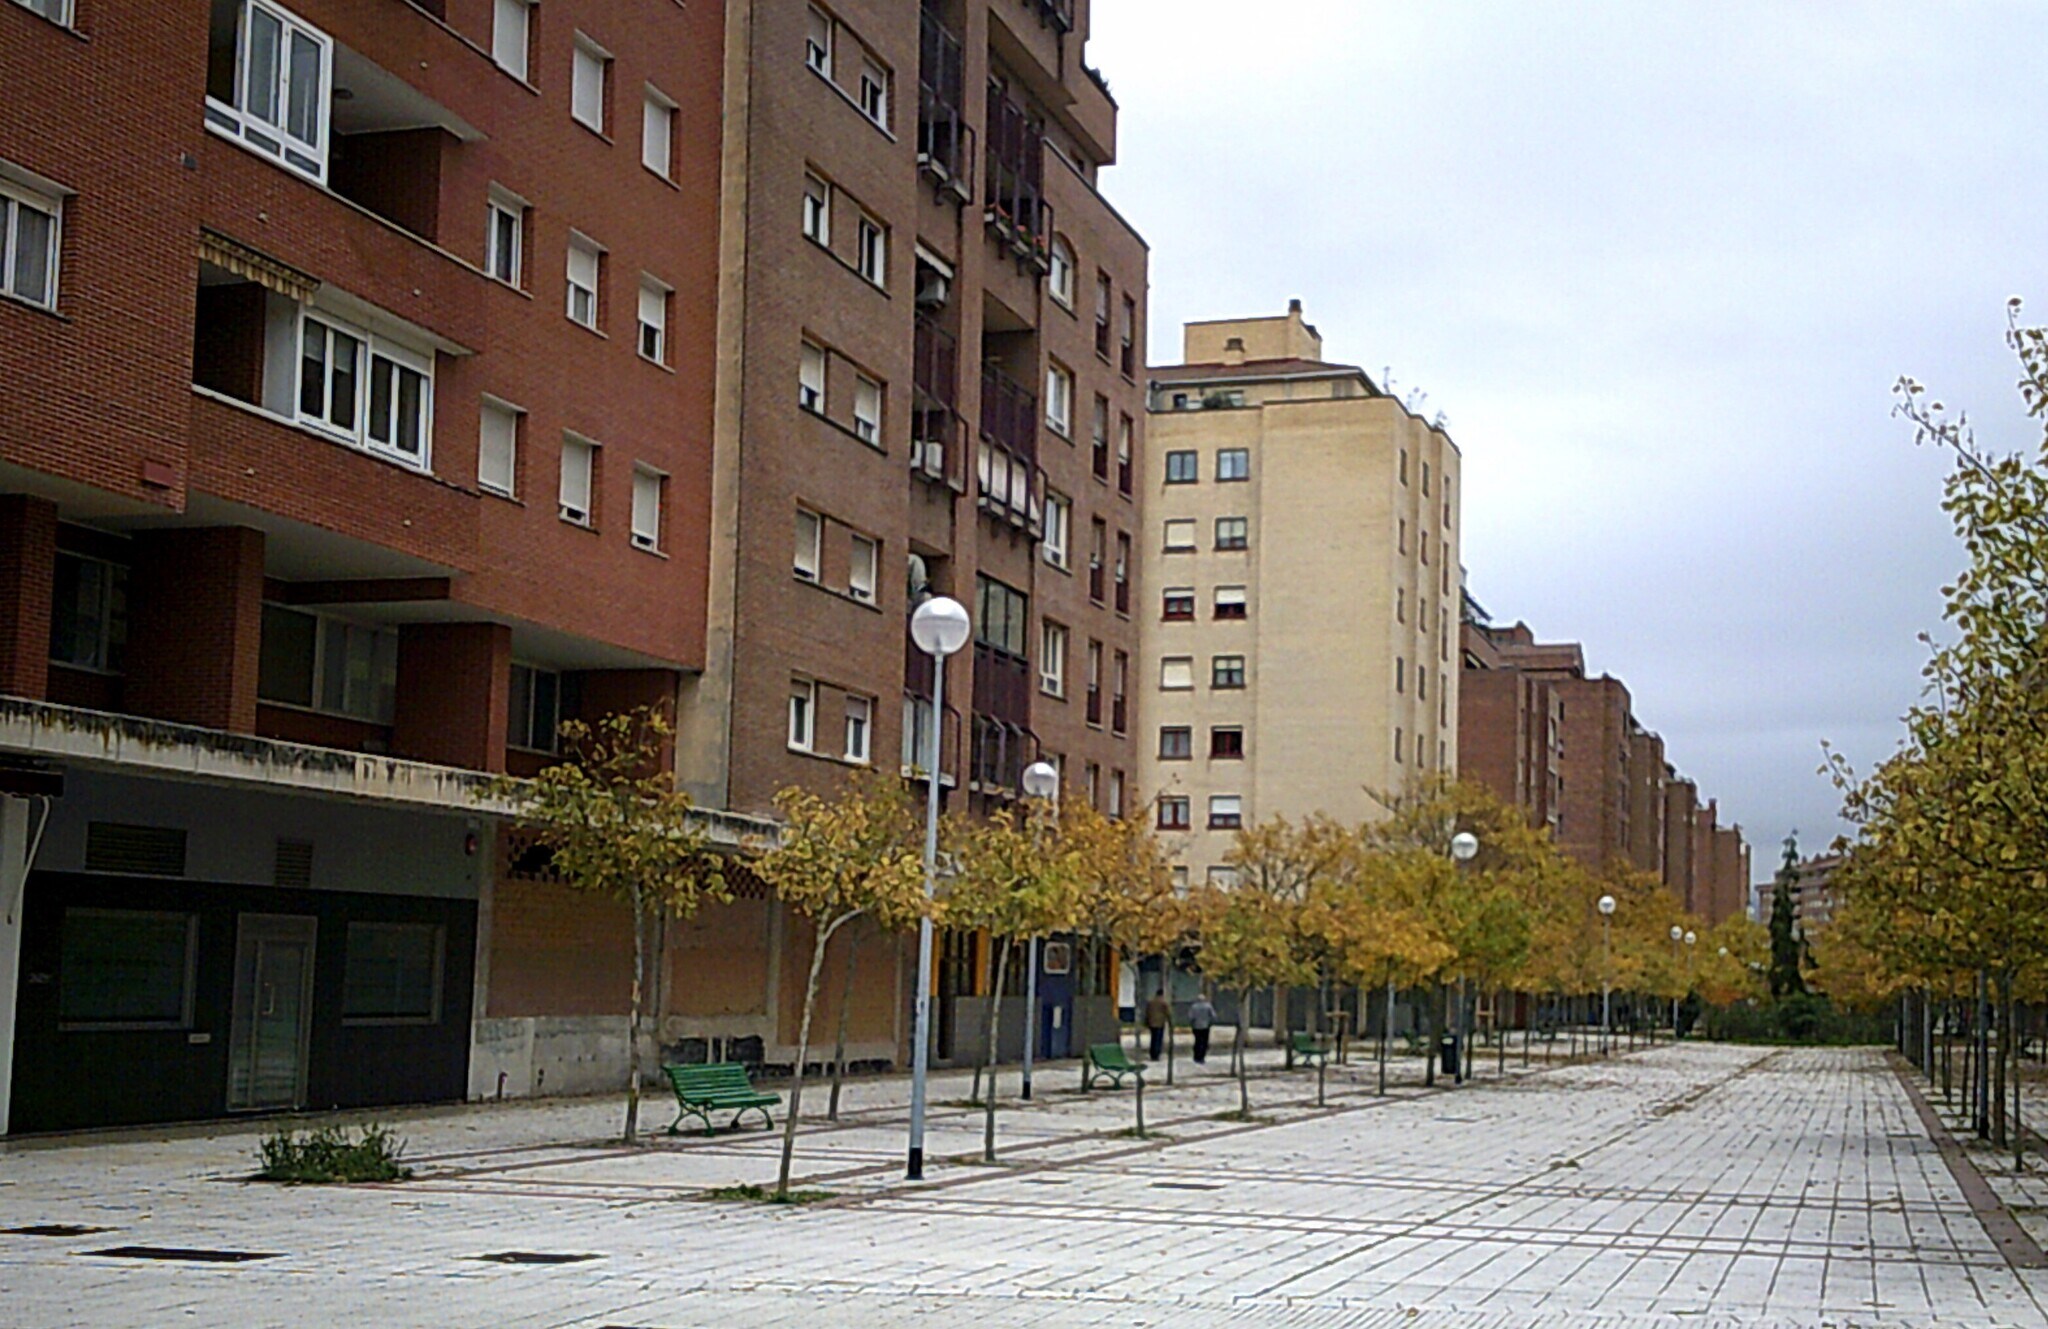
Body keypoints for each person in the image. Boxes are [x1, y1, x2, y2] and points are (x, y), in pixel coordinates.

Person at [1188, 991, 1216, 1064]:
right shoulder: (1208, 1006)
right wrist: (1210, 1022)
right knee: (1204, 1041)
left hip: (1196, 1026)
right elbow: (1213, 1016)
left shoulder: (1194, 1007)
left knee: (1197, 1041)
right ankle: (1202, 1057)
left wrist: (1192, 1024)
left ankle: (1196, 1056)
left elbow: (1191, 1017)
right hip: (1205, 1026)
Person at [1144, 987, 1171, 1060]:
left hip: (1152, 1023)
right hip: (1160, 1023)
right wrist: (1170, 1022)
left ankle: (1152, 1054)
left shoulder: (1151, 1002)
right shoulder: (1163, 1003)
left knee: (1153, 1039)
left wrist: (1146, 1022)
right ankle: (1156, 1054)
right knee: (1158, 1039)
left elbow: (1147, 1012)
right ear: (1162, 994)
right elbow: (1168, 1013)